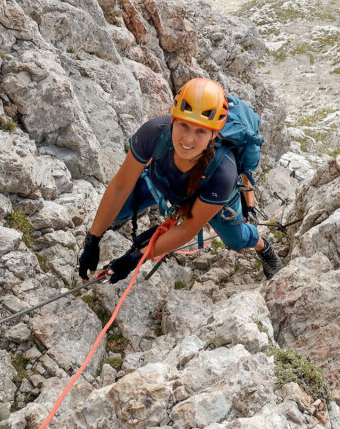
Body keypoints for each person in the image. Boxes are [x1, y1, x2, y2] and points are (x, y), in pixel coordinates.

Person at [78, 78, 283, 283]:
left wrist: (135, 257)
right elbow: (120, 186)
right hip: (166, 182)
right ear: (173, 120)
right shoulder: (154, 133)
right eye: (184, 125)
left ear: (214, 134)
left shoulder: (223, 173)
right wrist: (93, 239)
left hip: (207, 194)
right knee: (118, 209)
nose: (188, 139)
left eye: (200, 131)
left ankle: (262, 246)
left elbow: (188, 228)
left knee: (236, 240)